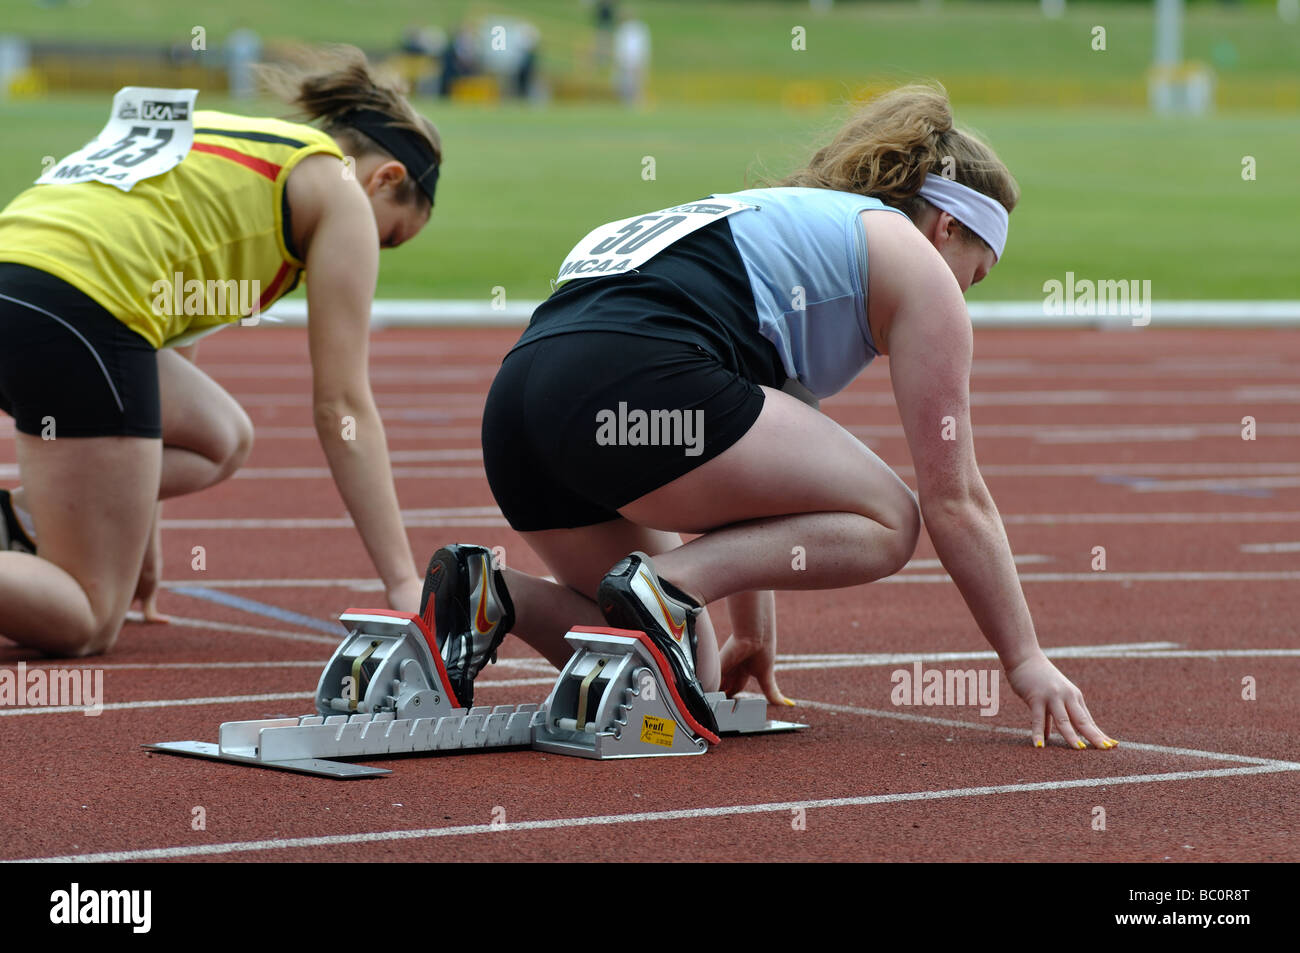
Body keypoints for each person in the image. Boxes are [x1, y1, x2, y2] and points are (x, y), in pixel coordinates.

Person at [421, 84, 1116, 751]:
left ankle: (491, 596)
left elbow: (760, 485)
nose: (966, 291)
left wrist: (753, 633)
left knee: (676, 666)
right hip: (633, 379)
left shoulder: (789, 226)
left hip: (520, 408)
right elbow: (955, 499)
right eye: (977, 271)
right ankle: (667, 587)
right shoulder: (914, 265)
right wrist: (1025, 659)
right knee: (892, 521)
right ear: (948, 226)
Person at [0, 46, 439, 656]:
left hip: (22, 275)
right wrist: (402, 580)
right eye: (389, 235)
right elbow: (342, 405)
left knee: (222, 434)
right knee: (88, 619)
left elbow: (167, 368)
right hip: (79, 303)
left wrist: (135, 534)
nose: (376, 250)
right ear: (384, 178)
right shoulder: (340, 192)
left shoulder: (234, 140)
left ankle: (23, 516)